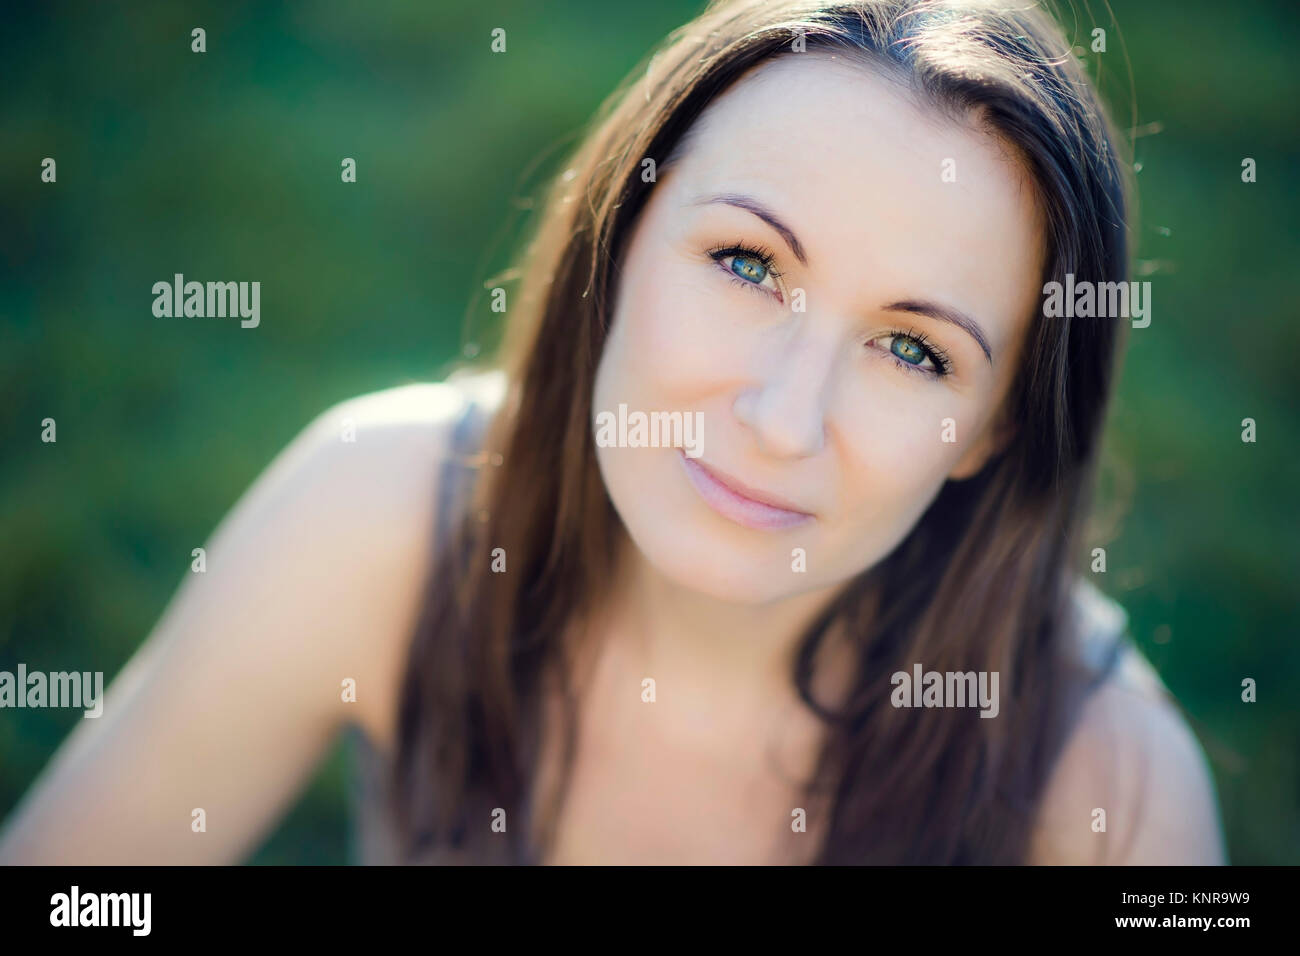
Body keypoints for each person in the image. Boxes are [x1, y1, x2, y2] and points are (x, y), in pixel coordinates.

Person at [0, 0, 1225, 865]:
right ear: (619, 238)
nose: (778, 416)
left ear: (991, 429)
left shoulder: (1104, 787)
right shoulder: (386, 516)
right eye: (747, 262)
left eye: (915, 349)